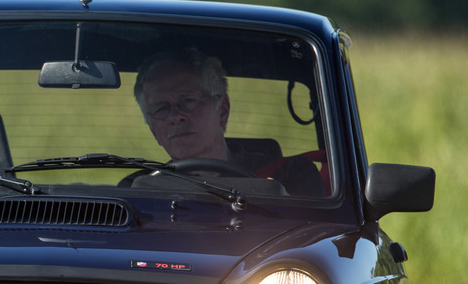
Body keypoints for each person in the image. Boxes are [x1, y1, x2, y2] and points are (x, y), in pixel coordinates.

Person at [132, 48, 325, 196]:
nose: (175, 116)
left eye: (188, 101)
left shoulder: (292, 175)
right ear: (153, 129)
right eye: (161, 109)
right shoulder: (139, 189)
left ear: (222, 110)